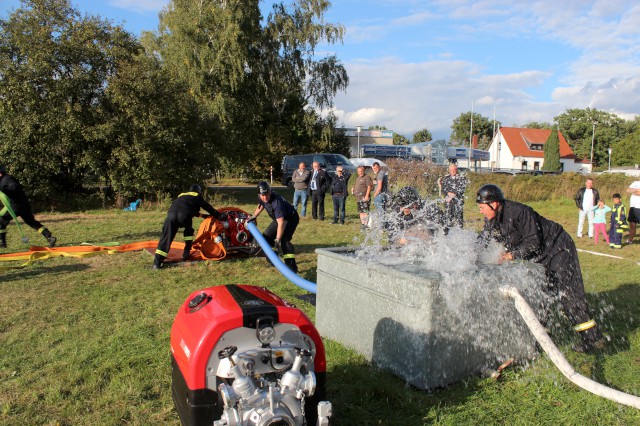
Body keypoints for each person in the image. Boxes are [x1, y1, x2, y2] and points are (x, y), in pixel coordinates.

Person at [476, 184, 605, 352]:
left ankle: (593, 339)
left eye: (481, 207)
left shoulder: (520, 212)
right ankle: (541, 338)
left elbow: (533, 242)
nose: (480, 211)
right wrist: (471, 257)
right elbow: (483, 240)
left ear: (494, 204)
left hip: (559, 248)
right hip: (542, 257)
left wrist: (509, 256)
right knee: (542, 295)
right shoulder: (492, 220)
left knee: (568, 294)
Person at [153, 184, 226, 269]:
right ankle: (186, 253)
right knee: (188, 231)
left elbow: (192, 211)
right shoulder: (197, 196)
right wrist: (219, 215)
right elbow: (208, 207)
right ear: (199, 191)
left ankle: (156, 263)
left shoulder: (182, 196)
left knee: (166, 238)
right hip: (184, 216)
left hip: (171, 216)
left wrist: (205, 217)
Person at [247, 181, 299, 272]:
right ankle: (273, 260)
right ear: (259, 194)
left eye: (267, 194)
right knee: (267, 237)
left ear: (270, 191)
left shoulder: (277, 202)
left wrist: (278, 239)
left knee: (284, 240)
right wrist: (254, 216)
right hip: (278, 219)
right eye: (262, 195)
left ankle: (291, 267)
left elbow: (281, 223)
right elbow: (261, 205)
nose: (265, 197)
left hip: (290, 218)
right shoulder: (261, 196)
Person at [0, 164, 56, 248]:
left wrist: (6, 189)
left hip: (15, 206)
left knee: (1, 220)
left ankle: (2, 243)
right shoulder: (3, 179)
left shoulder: (7, 179)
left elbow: (15, 187)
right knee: (31, 222)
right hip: (24, 205)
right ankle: (49, 237)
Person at [437, 162, 468, 229]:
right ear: (449, 170)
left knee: (459, 218)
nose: (453, 171)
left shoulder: (462, 178)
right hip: (448, 201)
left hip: (458, 201)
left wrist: (453, 195)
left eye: (454, 169)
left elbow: (461, 189)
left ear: (456, 170)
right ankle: (448, 231)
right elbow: (443, 189)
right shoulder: (445, 178)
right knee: (448, 217)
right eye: (451, 170)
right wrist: (448, 193)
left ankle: (460, 232)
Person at [351, 166, 373, 231]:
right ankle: (363, 224)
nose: (361, 172)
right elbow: (356, 186)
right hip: (359, 198)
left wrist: (367, 196)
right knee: (361, 212)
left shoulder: (367, 177)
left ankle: (366, 225)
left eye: (362, 171)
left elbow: (369, 187)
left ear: (364, 171)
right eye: (359, 171)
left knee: (365, 211)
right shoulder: (358, 178)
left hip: (365, 198)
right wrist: (353, 189)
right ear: (357, 172)